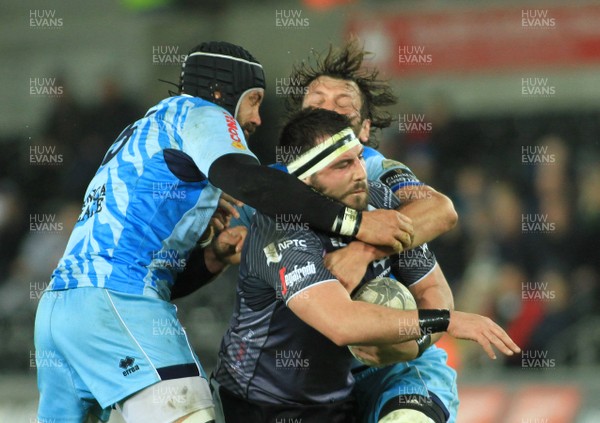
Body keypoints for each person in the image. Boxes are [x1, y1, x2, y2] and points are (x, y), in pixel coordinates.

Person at [33, 41, 411, 423]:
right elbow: (249, 180)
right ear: (224, 93)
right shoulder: (203, 113)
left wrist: (211, 257)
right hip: (115, 299)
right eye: (254, 101)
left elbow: (158, 274)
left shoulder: (142, 130)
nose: (258, 119)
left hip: (59, 311)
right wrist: (355, 222)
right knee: (191, 410)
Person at [211, 108, 520, 423]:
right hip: (263, 404)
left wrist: (412, 345)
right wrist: (444, 321)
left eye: (359, 158)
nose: (360, 172)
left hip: (339, 399)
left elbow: (431, 286)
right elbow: (343, 324)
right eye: (343, 165)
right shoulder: (280, 227)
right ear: (306, 178)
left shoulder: (379, 199)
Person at [224, 39, 460, 422]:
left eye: (342, 103)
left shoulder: (374, 171)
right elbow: (231, 246)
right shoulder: (270, 188)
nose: (327, 107)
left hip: (393, 363)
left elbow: (440, 210)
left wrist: (363, 250)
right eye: (316, 99)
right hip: (305, 374)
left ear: (364, 130)